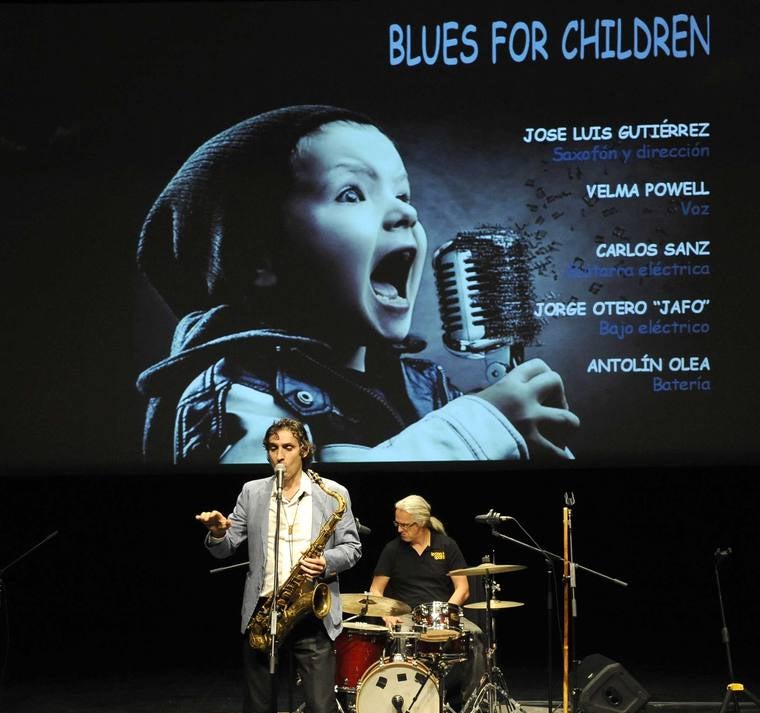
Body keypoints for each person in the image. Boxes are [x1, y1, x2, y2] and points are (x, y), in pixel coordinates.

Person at [136, 104, 579, 463]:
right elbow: (288, 533)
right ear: (259, 259)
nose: (407, 213)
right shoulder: (239, 395)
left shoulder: (428, 390)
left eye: (403, 195)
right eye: (352, 194)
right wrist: (480, 428)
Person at [196, 418, 362, 713]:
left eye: (287, 447)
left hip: (312, 615)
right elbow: (225, 546)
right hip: (264, 615)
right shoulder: (253, 493)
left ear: (304, 449)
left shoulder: (331, 494)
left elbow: (353, 547)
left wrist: (327, 562)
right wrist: (217, 532)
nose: (278, 456)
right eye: (272, 447)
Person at [368, 495, 481, 704]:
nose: (399, 529)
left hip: (443, 613)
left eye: (405, 525)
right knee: (401, 638)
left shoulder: (446, 546)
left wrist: (444, 614)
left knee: (474, 636)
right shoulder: (392, 550)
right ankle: (409, 703)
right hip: (407, 617)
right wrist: (385, 614)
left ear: (420, 523)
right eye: (397, 524)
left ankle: (465, 708)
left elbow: (463, 589)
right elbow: (375, 590)